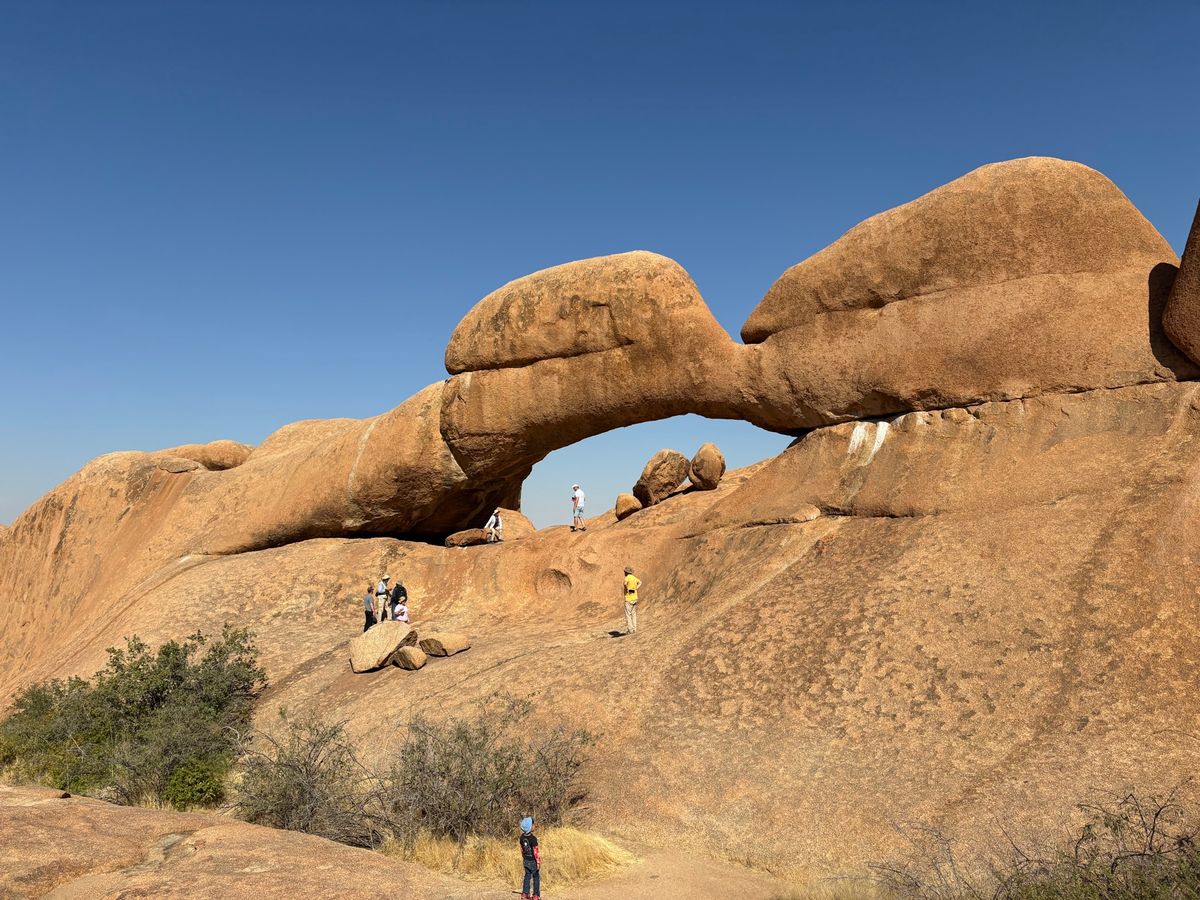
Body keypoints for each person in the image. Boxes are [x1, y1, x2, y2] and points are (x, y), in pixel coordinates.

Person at [519, 816, 541, 900]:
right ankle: (536, 895)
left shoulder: (521, 838)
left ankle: (525, 894)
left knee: (527, 876)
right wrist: (538, 862)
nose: (534, 826)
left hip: (526, 860)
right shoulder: (533, 839)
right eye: (533, 824)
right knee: (536, 877)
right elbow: (536, 852)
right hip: (533, 861)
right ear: (529, 827)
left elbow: (521, 849)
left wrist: (524, 857)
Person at [623, 565, 642, 635]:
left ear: (626, 572)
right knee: (633, 614)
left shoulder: (627, 577)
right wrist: (635, 588)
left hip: (628, 599)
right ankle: (634, 629)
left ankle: (630, 630)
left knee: (628, 614)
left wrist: (627, 589)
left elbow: (624, 583)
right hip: (635, 598)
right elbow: (640, 582)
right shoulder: (634, 578)